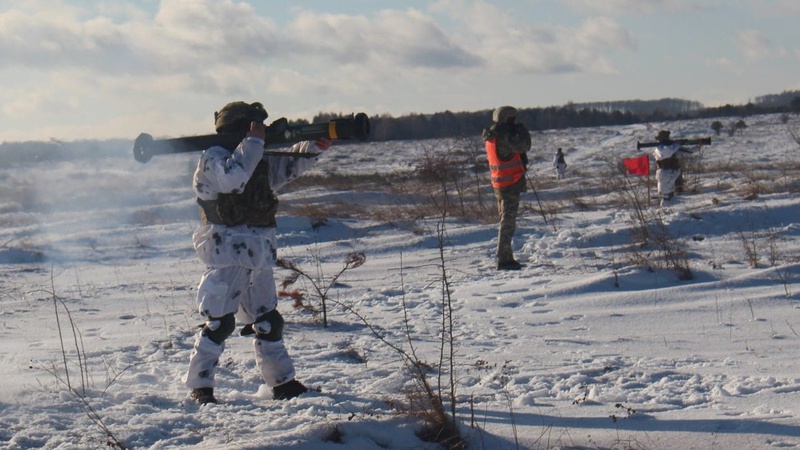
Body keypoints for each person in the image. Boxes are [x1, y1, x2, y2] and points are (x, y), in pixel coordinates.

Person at [182, 101, 331, 405]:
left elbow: (285, 167)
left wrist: (314, 145)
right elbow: (233, 180)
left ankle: (282, 383)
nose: (258, 131)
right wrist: (254, 142)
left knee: (268, 321)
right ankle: (200, 386)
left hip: (258, 252)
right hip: (226, 253)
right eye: (252, 126)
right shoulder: (213, 159)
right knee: (219, 323)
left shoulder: (253, 157)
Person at [482, 106, 532, 271]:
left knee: (505, 221)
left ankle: (506, 256)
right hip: (510, 183)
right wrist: (523, 131)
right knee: (508, 222)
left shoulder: (491, 135)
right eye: (512, 119)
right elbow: (524, 146)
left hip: (500, 184)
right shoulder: (504, 136)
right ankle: (504, 259)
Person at [649, 130, 689, 206]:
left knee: (674, 195)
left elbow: (685, 152)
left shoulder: (672, 147)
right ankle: (666, 213)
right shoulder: (659, 148)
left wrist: (698, 146)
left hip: (673, 173)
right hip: (664, 174)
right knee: (665, 197)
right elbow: (667, 153)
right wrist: (677, 144)